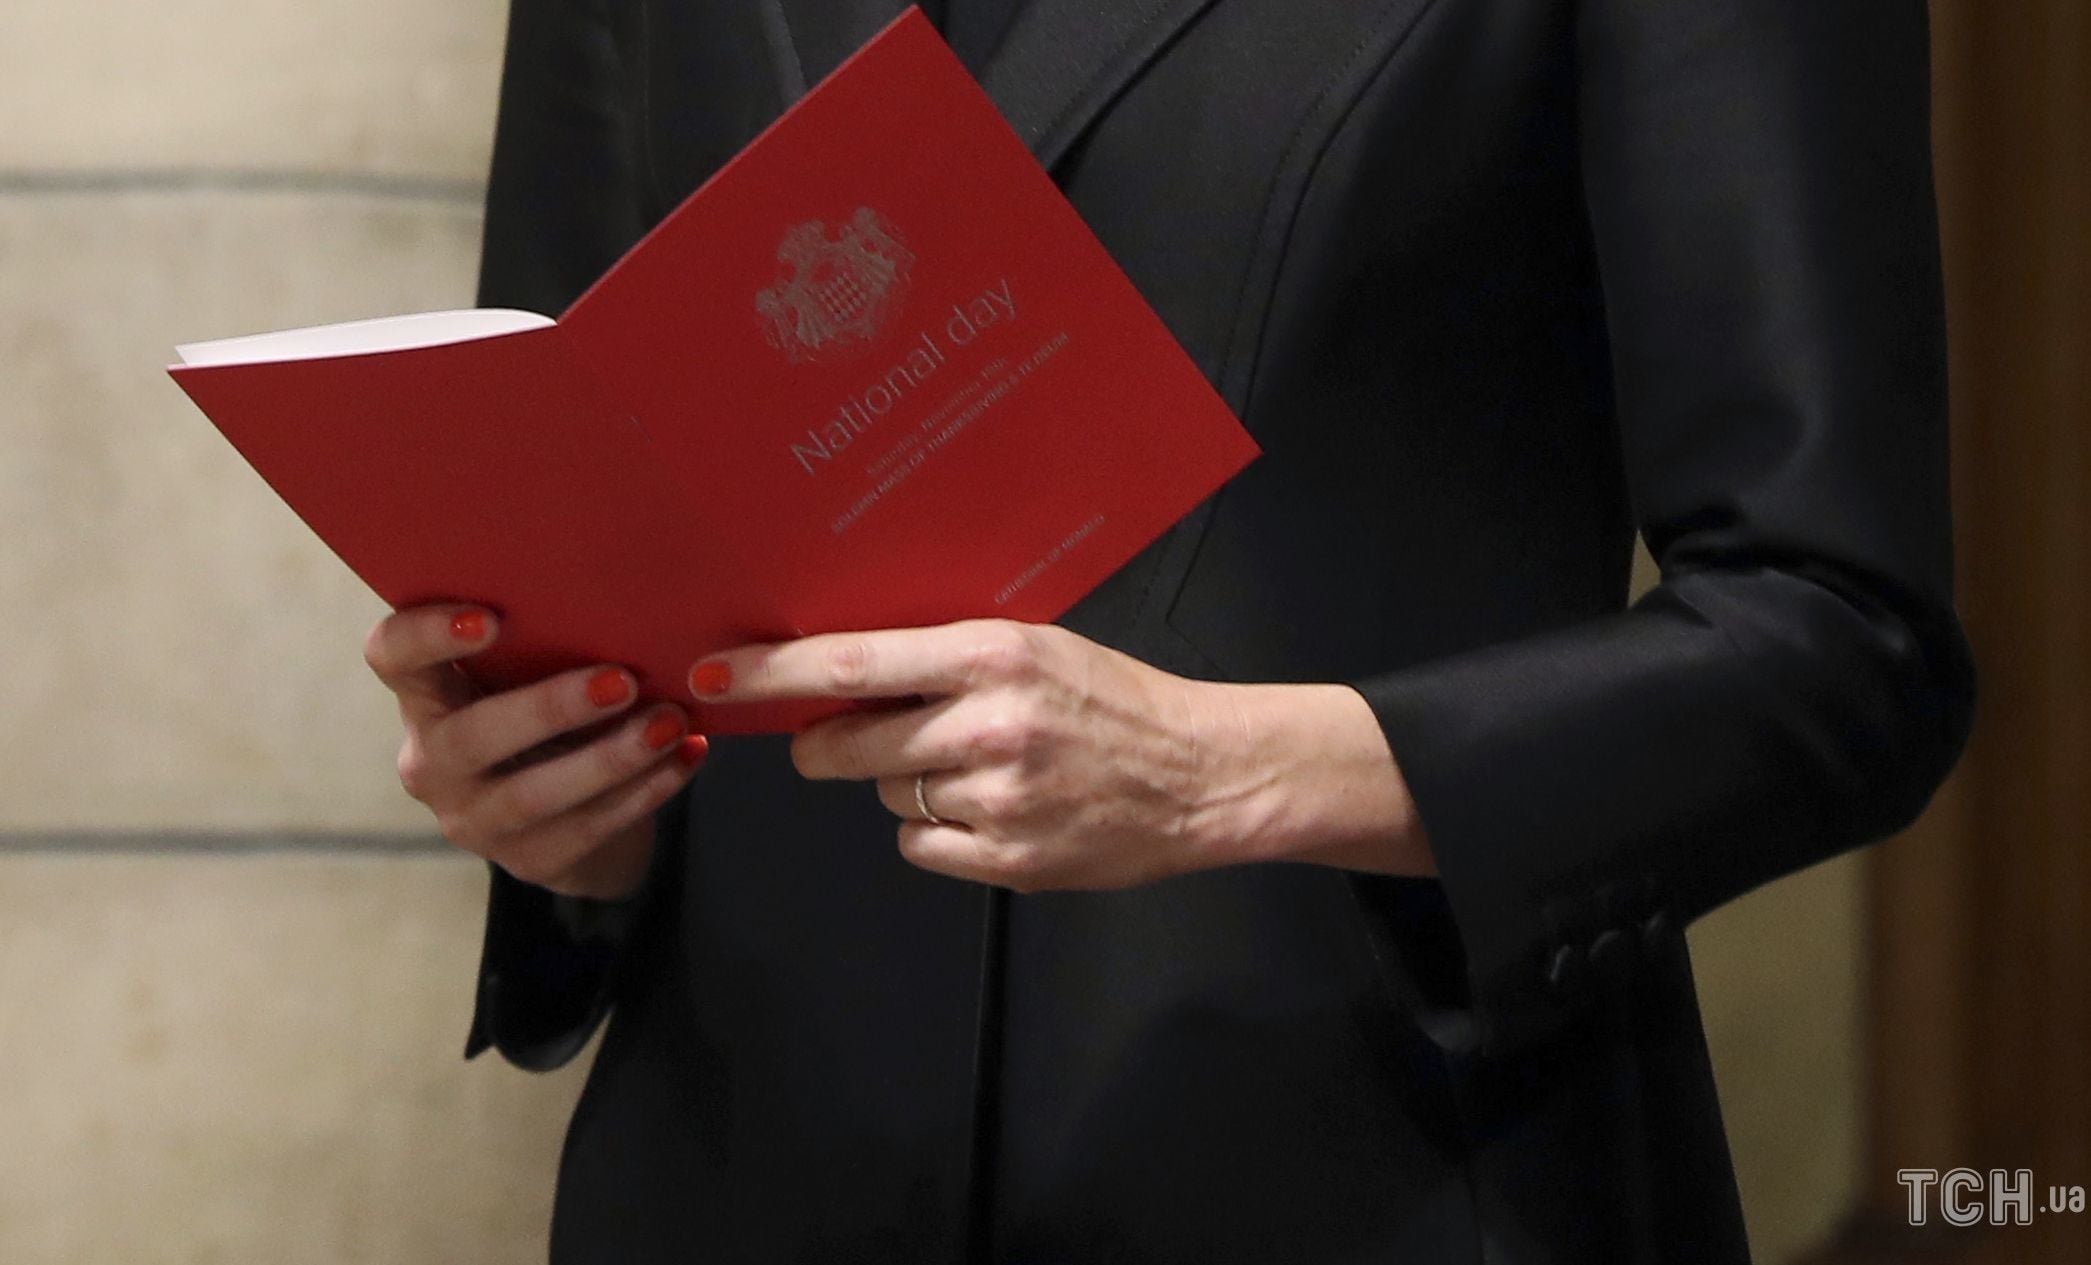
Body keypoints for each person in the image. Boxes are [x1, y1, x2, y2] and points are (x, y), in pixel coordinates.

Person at [360, 0, 1975, 1260]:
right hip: (732, 1179)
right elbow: (568, 505)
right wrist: (567, 813)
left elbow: (1842, 636)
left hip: (1382, 1183)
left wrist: (1234, 771)